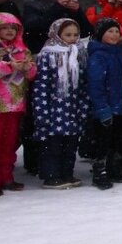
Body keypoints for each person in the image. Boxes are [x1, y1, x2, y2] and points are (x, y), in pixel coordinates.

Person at [0, 12, 36, 196]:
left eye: (13, 28)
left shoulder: (22, 50)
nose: (9, 31)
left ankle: (7, 177)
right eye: (4, 28)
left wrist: (28, 68)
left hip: (15, 105)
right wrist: (8, 66)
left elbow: (31, 74)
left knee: (9, 143)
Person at [31, 18, 88, 188]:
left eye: (75, 35)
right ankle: (51, 175)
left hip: (73, 106)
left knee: (70, 143)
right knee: (53, 144)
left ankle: (67, 173)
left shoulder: (79, 52)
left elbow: (83, 82)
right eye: (67, 34)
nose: (72, 38)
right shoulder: (48, 53)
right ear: (57, 34)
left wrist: (83, 105)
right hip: (54, 108)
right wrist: (42, 110)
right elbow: (41, 84)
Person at [86, 17, 122, 189]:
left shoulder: (120, 51)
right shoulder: (98, 55)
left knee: (117, 139)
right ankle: (100, 170)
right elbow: (95, 84)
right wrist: (101, 107)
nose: (114, 35)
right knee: (102, 141)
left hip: (120, 105)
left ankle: (114, 167)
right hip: (105, 106)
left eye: (116, 31)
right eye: (109, 31)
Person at [21, 0, 89, 54]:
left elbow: (86, 31)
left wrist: (77, 11)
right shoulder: (33, 5)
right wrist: (57, 7)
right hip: (42, 49)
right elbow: (32, 26)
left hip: (69, 49)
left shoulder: (66, 5)